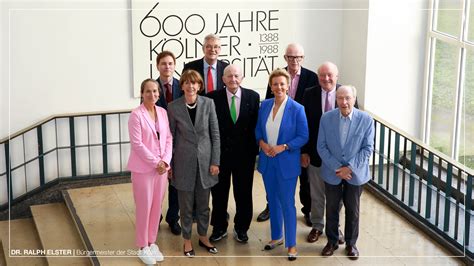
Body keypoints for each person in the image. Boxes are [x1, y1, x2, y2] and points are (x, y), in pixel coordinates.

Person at [258, 43, 317, 225]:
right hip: (276, 142)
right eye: (290, 57)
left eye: (298, 57)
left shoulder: (311, 77)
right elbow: (269, 106)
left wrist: (305, 149)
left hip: (298, 141)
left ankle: (307, 210)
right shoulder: (276, 77)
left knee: (304, 179)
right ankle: (271, 206)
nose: (294, 60)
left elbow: (311, 115)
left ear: (303, 58)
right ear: (285, 58)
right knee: (274, 176)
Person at [255, 68, 309, 261]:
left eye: (282, 84)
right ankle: (277, 237)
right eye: (275, 84)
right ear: (271, 86)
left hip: (286, 163)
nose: (278, 87)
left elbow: (303, 136)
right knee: (273, 200)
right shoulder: (265, 105)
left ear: (288, 87)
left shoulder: (297, 109)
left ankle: (292, 244)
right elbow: (258, 130)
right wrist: (261, 143)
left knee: (287, 203)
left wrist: (284, 147)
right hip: (268, 162)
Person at [317, 85, 374, 260]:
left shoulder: (366, 120)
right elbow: (321, 146)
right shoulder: (326, 118)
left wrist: (350, 168)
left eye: (347, 98)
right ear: (336, 100)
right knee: (332, 208)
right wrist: (337, 168)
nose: (344, 102)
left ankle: (351, 244)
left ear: (354, 99)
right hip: (332, 172)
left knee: (353, 210)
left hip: (355, 174)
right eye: (340, 98)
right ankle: (332, 241)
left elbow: (367, 148)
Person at [168, 69, 221, 257]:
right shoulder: (173, 107)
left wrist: (215, 161)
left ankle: (204, 236)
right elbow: (170, 139)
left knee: (204, 204)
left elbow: (215, 134)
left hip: (206, 163)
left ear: (200, 86)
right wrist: (170, 165)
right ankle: (187, 240)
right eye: (187, 82)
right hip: (182, 162)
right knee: (186, 205)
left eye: (194, 83)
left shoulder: (209, 104)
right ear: (181, 86)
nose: (191, 86)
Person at [302, 62, 357, 244]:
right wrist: (304, 151)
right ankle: (317, 226)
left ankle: (335, 228)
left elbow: (353, 128)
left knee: (336, 198)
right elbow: (305, 126)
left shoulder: (346, 94)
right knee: (316, 194)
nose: (326, 79)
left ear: (337, 76)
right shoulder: (309, 94)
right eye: (322, 75)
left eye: (330, 75)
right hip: (316, 156)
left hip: (339, 160)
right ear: (318, 77)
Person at [206, 64, 260, 243]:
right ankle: (219, 227)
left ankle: (241, 228)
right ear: (223, 79)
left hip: (245, 156)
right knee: (219, 194)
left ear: (242, 78)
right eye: (229, 76)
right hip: (220, 156)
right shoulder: (212, 98)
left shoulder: (253, 97)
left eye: (236, 76)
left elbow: (255, 126)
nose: (233, 79)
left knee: (243, 193)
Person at [127, 79, 173, 264]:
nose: (152, 94)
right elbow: (137, 144)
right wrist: (156, 162)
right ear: (141, 93)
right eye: (148, 91)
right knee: (144, 207)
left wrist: (165, 161)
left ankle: (152, 242)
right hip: (143, 169)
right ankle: (142, 246)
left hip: (161, 169)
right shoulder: (135, 115)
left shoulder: (162, 112)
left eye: (155, 91)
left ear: (159, 94)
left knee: (156, 206)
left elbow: (168, 138)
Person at [154, 51, 183, 236]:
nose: (167, 67)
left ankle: (173, 218)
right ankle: (155, 217)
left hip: (179, 141)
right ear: (158, 66)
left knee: (175, 183)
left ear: (174, 65)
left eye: (170, 63)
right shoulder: (152, 87)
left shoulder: (182, 85)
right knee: (157, 183)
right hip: (158, 143)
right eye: (163, 63)